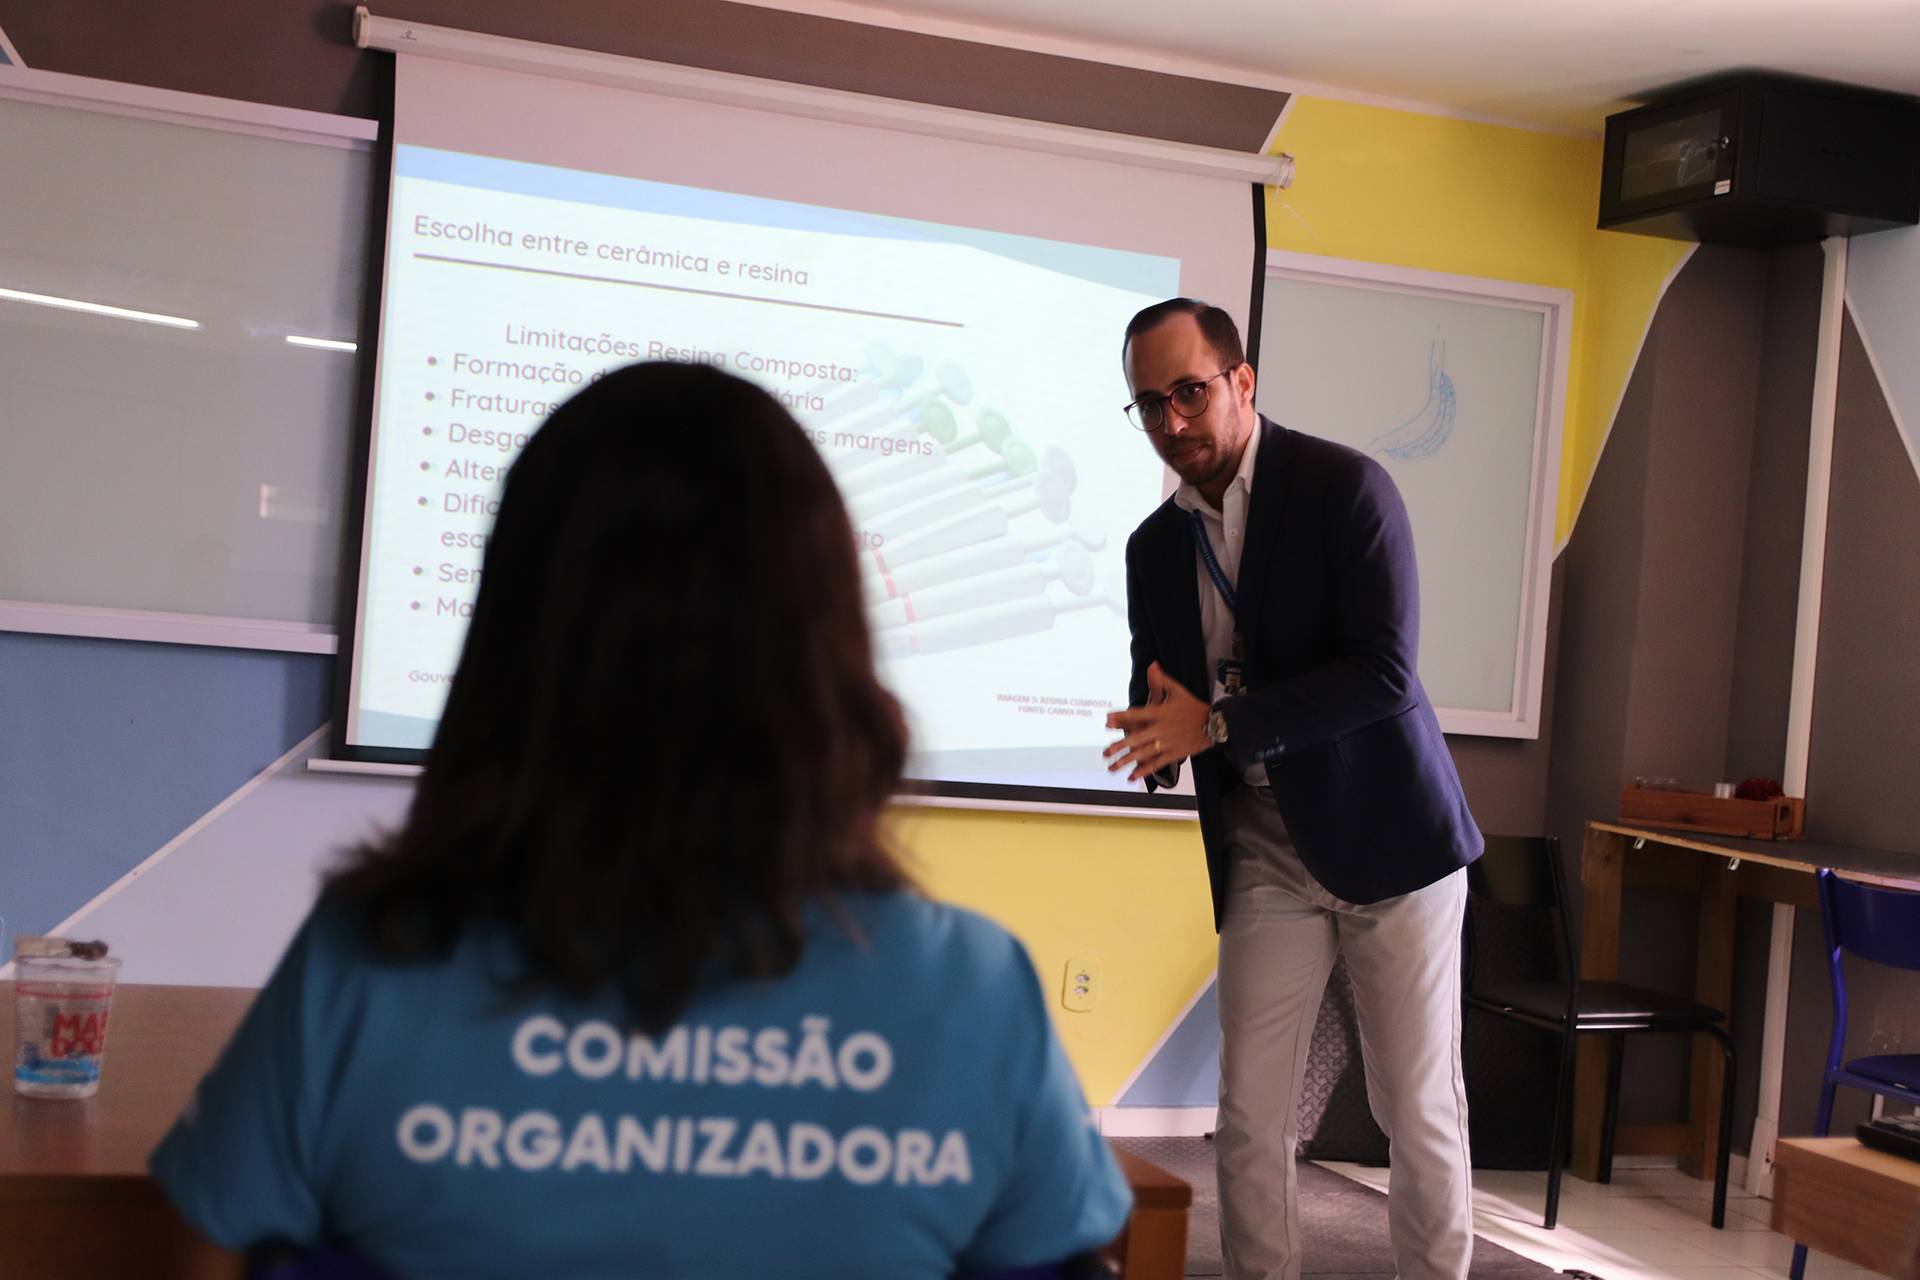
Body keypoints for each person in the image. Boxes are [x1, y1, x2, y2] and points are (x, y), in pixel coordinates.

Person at [151, 362, 1131, 1280]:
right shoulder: (971, 994)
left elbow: (214, 1256)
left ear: (511, 639)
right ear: (828, 651)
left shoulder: (368, 964)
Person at [1103, 300, 1481, 1280]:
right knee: (1248, 1113)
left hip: (1392, 841)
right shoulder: (1153, 547)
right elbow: (1165, 684)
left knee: (1414, 1107)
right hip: (1266, 845)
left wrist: (1220, 724)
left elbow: (1383, 673)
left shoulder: (1345, 489)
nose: (1172, 421)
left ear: (1242, 381)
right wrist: (1156, 738)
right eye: (1149, 404)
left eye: (1190, 392)